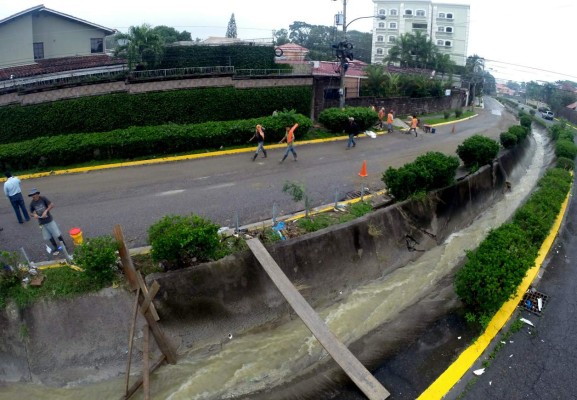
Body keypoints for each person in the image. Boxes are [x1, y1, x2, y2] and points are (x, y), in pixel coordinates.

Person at [28, 188, 68, 255]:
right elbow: (30, 213)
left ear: (37, 194)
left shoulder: (43, 198)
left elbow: (51, 205)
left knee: (57, 233)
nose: (33, 196)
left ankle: (64, 245)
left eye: (34, 194)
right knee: (48, 236)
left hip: (49, 220)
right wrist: (34, 215)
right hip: (41, 222)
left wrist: (46, 211)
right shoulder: (32, 203)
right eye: (31, 195)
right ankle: (55, 247)